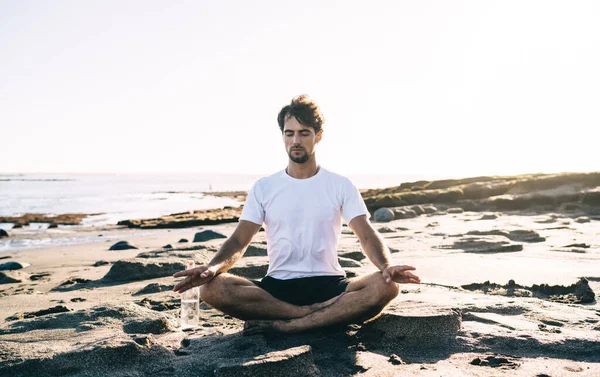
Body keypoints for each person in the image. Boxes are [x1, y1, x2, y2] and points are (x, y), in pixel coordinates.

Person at [173, 95, 420, 335]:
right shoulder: (264, 187)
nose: (296, 140)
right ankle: (316, 315)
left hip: (330, 284)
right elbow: (239, 241)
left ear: (318, 136)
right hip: (276, 288)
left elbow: (366, 234)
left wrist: (386, 267)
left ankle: (290, 325)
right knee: (211, 288)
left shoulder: (340, 185)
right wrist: (213, 267)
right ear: (282, 136)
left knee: (386, 286)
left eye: (304, 133)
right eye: (289, 133)